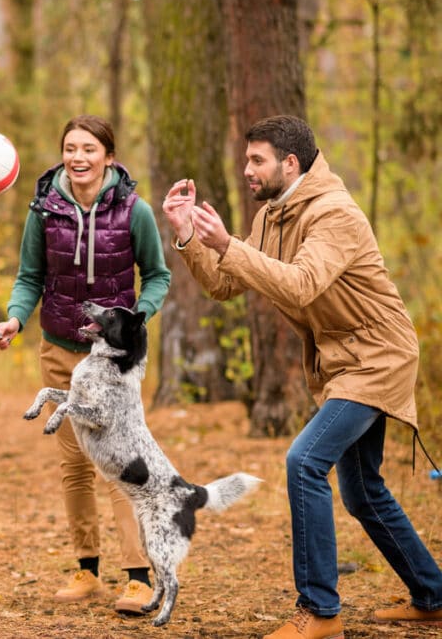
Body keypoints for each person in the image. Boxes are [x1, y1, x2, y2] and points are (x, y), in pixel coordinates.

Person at [162, 114, 442, 639]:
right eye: (247, 159)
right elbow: (227, 284)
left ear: (290, 163)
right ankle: (433, 595)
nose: (247, 169)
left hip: (377, 357)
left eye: (256, 160)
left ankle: (320, 612)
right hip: (343, 361)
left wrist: (228, 244)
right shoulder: (275, 214)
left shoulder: (334, 213)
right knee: (362, 492)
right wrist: (188, 239)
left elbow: (301, 285)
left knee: (305, 460)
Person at [0, 115, 171, 613]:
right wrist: (14, 319)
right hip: (59, 348)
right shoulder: (44, 210)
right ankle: (86, 569)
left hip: (113, 358)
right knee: (74, 464)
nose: (78, 157)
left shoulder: (136, 211)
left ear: (108, 157)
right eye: (70, 148)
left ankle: (138, 576)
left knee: (116, 461)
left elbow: (157, 275)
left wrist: (138, 316)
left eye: (89, 149)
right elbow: (29, 277)